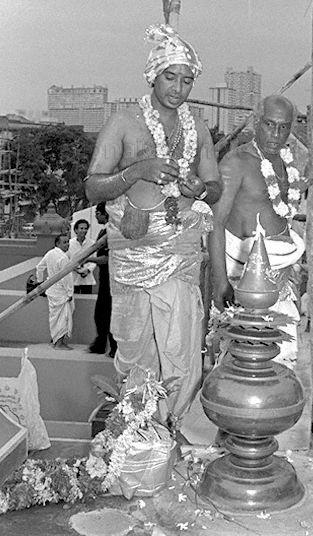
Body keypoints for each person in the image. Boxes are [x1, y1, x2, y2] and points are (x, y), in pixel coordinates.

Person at [85, 24, 221, 426]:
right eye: (170, 77)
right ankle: (139, 438)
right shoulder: (123, 123)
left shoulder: (197, 128)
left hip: (179, 255)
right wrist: (137, 171)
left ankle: (167, 433)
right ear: (152, 75)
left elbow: (215, 190)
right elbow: (93, 188)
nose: (179, 88)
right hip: (133, 252)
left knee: (182, 358)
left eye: (187, 79)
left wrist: (200, 187)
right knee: (137, 356)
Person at [209, 95, 312, 368]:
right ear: (256, 122)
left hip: (282, 274)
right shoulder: (236, 162)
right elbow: (215, 223)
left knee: (282, 359)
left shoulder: (287, 164)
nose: (276, 134)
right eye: (269, 124)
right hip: (243, 277)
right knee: (240, 358)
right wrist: (220, 281)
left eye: (283, 127)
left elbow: (280, 212)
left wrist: (300, 187)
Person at [86, 203, 116, 356]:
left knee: (109, 313)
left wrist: (89, 260)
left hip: (112, 279)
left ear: (105, 214)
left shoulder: (112, 233)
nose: (96, 215)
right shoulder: (103, 232)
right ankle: (100, 343)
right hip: (104, 279)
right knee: (101, 314)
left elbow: (107, 259)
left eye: (98, 213)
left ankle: (113, 346)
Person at [36, 233, 73, 349]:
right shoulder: (63, 258)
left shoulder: (50, 253)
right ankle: (59, 343)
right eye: (64, 242)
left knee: (55, 317)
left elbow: (39, 267)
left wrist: (40, 282)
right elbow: (67, 277)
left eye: (68, 242)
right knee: (63, 317)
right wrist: (70, 292)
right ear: (58, 243)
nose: (67, 244)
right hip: (61, 292)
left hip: (51, 290)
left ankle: (56, 340)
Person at [69, 219, 95, 294]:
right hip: (73, 277)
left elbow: (94, 259)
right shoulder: (70, 243)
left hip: (87, 278)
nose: (84, 230)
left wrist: (88, 270)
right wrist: (76, 269)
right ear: (76, 230)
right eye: (81, 228)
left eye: (85, 228)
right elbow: (68, 259)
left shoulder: (92, 243)